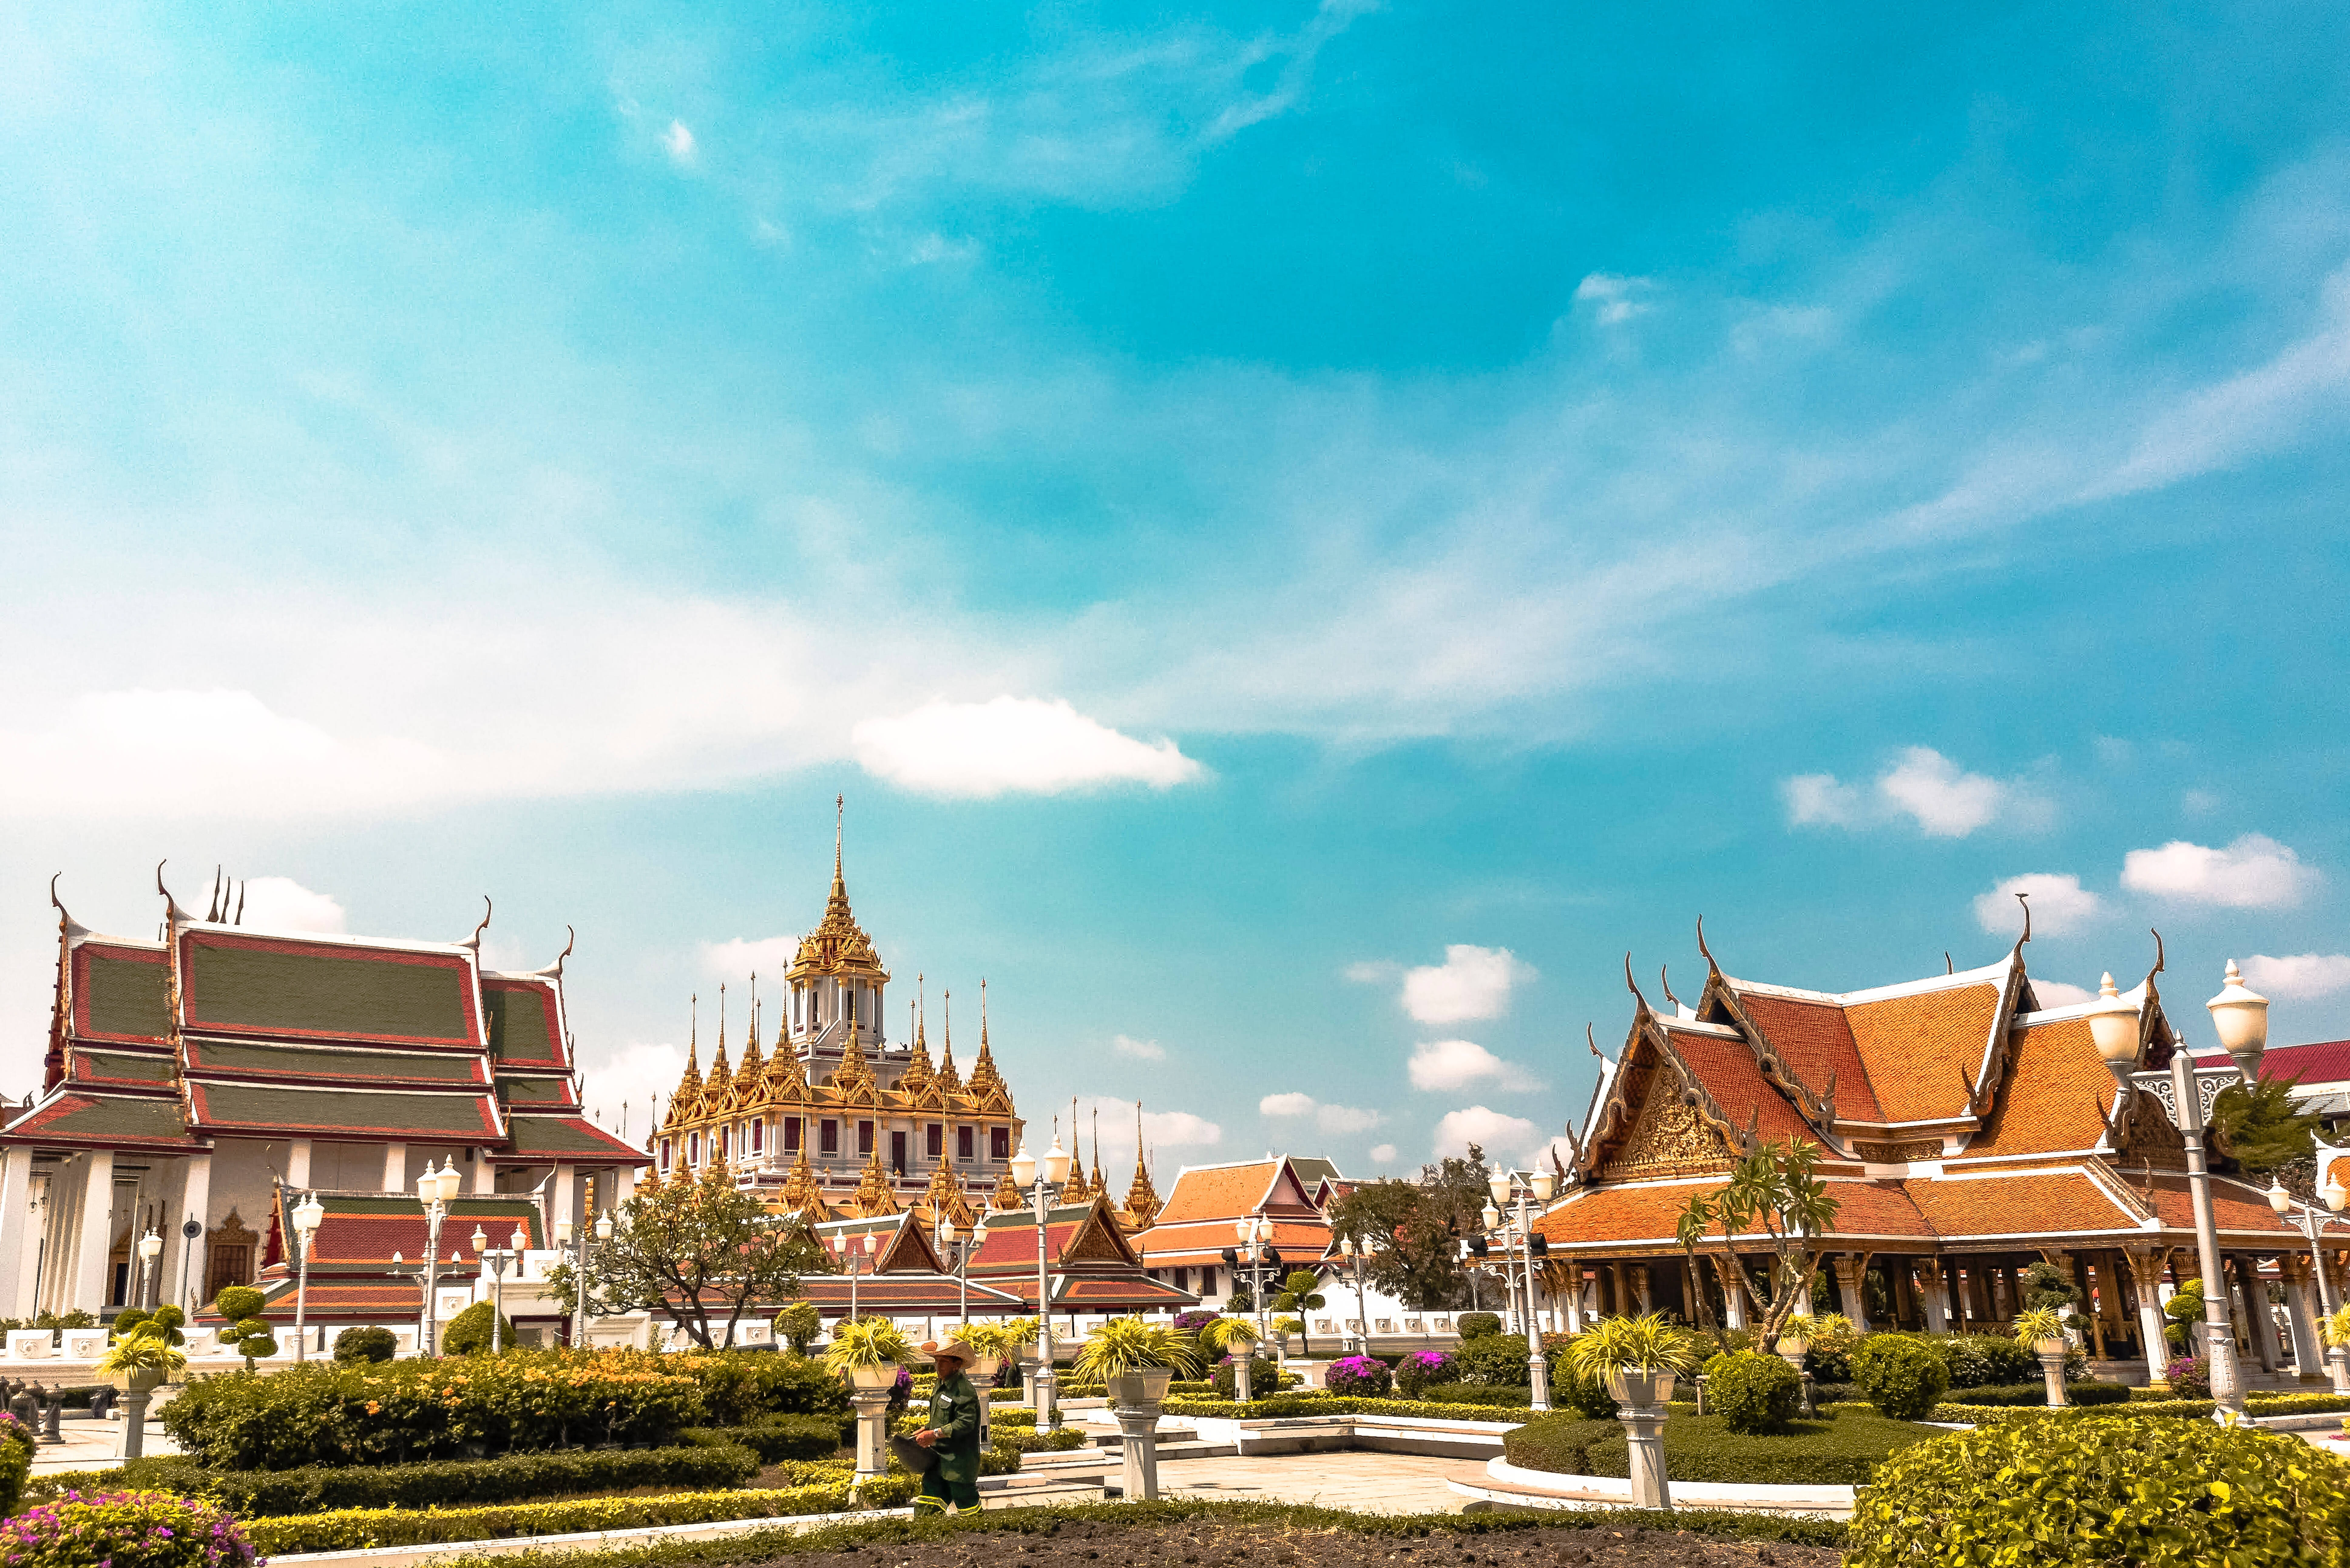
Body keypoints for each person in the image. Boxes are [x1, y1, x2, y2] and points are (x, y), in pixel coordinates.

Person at [911, 1336, 984, 1515]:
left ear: (956, 1365)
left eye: (943, 1362)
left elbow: (964, 1424)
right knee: (927, 1505)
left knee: (969, 1510)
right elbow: (941, 1417)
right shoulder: (941, 1385)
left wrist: (934, 1434)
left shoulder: (964, 1390)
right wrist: (927, 1428)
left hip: (958, 1463)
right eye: (937, 1362)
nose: (938, 1367)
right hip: (938, 1459)